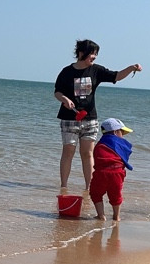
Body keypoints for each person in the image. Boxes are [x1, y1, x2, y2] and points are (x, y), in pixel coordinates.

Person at [54, 40, 142, 190]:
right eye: (92, 54)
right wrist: (65, 99)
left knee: (87, 154)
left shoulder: (96, 70)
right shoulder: (66, 71)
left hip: (90, 119)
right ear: (81, 53)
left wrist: (131, 68)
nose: (94, 57)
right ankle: (64, 187)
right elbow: (57, 92)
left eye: (96, 54)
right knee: (68, 152)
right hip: (69, 119)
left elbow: (116, 76)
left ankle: (89, 188)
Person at [89, 118, 134, 221]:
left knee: (95, 193)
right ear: (115, 132)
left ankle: (101, 216)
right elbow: (124, 159)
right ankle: (116, 216)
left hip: (101, 173)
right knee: (116, 196)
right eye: (122, 132)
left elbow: (97, 160)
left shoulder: (99, 145)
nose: (122, 136)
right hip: (117, 173)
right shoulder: (122, 144)